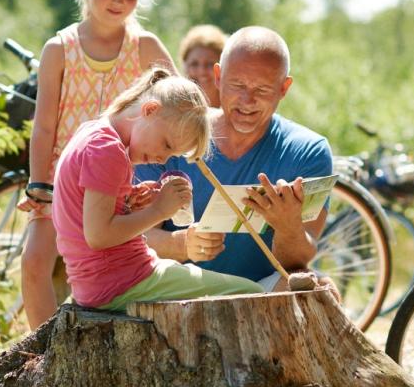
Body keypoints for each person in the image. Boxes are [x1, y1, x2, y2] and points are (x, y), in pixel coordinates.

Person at [14, 0, 174, 329]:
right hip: (61, 180)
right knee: (35, 262)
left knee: (107, 271)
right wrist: (38, 185)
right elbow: (45, 125)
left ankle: (94, 344)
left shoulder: (145, 47)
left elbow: (179, 103)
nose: (119, 1)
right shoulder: (60, 48)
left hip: (115, 184)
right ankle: (42, 354)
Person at [54, 68, 299, 311]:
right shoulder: (108, 149)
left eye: (172, 154)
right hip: (120, 283)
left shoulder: (94, 134)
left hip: (107, 280)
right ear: (150, 110)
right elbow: (98, 236)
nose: (163, 159)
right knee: (253, 295)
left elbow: (90, 217)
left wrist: (129, 203)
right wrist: (159, 211)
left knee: (211, 280)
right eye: (167, 144)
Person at [136, 26, 333, 284]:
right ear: (218, 76)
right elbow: (134, 238)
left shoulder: (308, 151)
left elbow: (296, 264)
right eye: (237, 85)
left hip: (260, 292)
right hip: (176, 289)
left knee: (318, 288)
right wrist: (182, 244)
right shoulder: (172, 133)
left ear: (284, 88)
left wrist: (288, 227)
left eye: (262, 90)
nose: (247, 100)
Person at [177, 24, 226, 108]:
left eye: (210, 64)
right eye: (194, 64)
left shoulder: (236, 108)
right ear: (185, 65)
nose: (202, 71)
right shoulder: (175, 108)